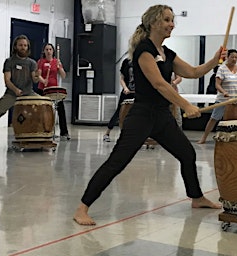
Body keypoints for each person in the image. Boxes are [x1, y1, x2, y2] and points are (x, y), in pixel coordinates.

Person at [73, 4, 225, 226]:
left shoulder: (167, 53)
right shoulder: (144, 50)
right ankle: (82, 208)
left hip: (162, 116)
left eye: (172, 20)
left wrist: (214, 60)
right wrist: (185, 105)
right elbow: (159, 84)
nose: (171, 24)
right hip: (142, 115)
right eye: (167, 20)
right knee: (117, 162)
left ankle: (197, 197)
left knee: (187, 153)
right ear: (153, 23)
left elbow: (193, 72)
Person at [197, 49, 237, 144]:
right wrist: (223, 92)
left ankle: (234, 138)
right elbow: (217, 85)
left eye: (236, 57)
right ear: (227, 57)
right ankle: (204, 138)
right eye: (232, 57)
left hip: (236, 100)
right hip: (223, 100)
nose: (234, 59)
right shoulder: (222, 69)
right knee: (214, 118)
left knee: (235, 120)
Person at [36, 43, 69, 140]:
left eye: (50, 49)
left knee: (61, 110)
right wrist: (43, 81)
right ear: (44, 51)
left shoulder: (56, 61)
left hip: (54, 90)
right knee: (41, 111)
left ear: (53, 51)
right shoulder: (41, 62)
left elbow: (63, 76)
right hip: (43, 89)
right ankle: (40, 131)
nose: (48, 51)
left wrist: (60, 67)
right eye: (46, 49)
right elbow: (38, 75)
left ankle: (64, 132)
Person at [103, 57, 135, 142]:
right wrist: (125, 88)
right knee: (119, 112)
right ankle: (107, 133)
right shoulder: (127, 62)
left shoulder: (144, 62)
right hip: (127, 92)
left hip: (138, 92)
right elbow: (122, 78)